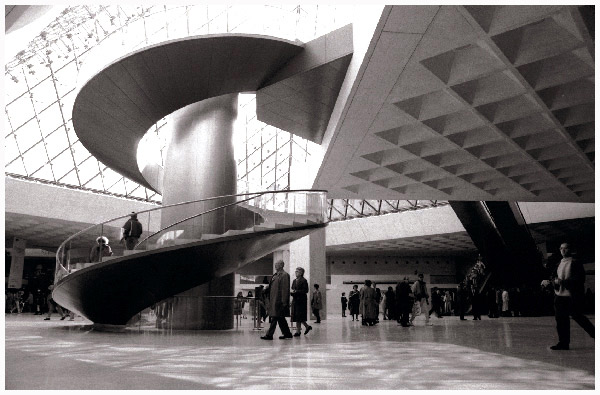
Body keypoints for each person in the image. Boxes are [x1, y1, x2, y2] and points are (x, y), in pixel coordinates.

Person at [550, 243, 595, 350]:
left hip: (572, 296)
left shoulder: (576, 263)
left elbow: (580, 279)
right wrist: (552, 281)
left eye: (566, 248)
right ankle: (563, 343)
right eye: (561, 248)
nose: (563, 250)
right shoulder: (558, 264)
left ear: (570, 250)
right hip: (559, 296)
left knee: (578, 317)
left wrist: (563, 282)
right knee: (561, 320)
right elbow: (553, 277)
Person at [261, 260, 293, 340]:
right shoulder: (275, 275)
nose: (275, 265)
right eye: (275, 264)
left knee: (275, 317)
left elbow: (285, 289)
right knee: (280, 317)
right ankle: (287, 333)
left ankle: (269, 334)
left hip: (279, 300)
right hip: (273, 299)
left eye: (277, 264)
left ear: (282, 265)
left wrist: (284, 301)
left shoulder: (284, 275)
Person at [290, 267, 311, 336]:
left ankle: (298, 331)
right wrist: (292, 293)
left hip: (301, 300)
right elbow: (292, 289)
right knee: (296, 315)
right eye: (295, 271)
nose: (296, 273)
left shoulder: (304, 280)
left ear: (301, 273)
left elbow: (306, 290)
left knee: (299, 315)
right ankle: (305, 327)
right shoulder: (294, 281)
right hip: (295, 299)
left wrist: (296, 291)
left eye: (297, 271)